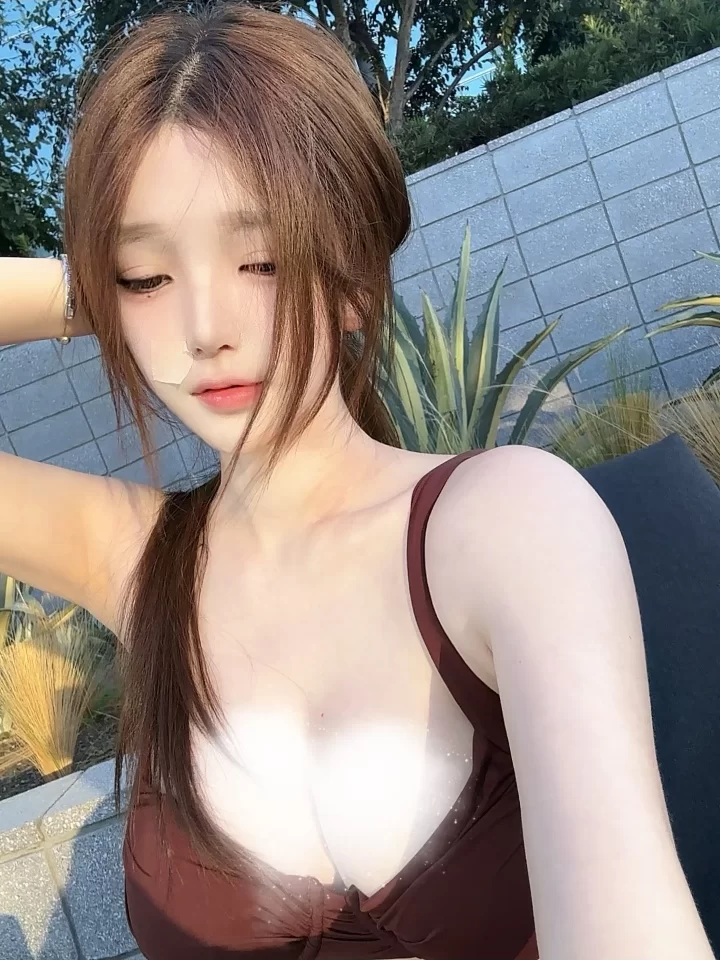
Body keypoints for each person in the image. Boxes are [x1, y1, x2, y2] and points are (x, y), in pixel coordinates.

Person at [0, 4, 714, 960]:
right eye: (147, 278)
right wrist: (92, 286)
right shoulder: (133, 559)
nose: (204, 328)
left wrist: (153, 268)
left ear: (353, 279)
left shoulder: (502, 524)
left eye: (260, 258)